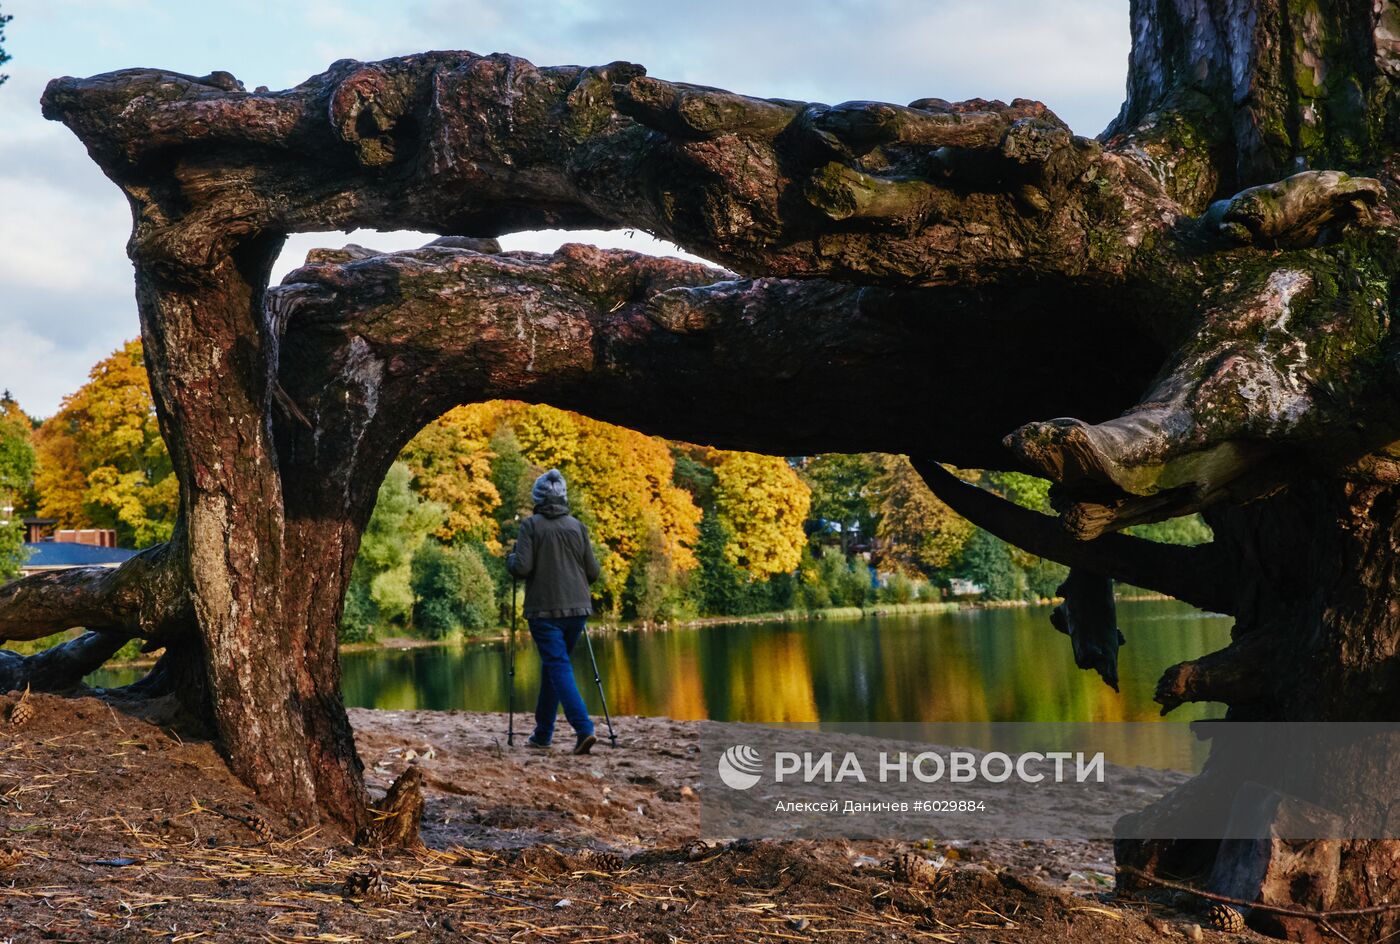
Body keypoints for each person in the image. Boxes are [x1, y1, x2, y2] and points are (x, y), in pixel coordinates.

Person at [507, 468, 603, 754]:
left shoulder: (531, 525)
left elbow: (521, 567)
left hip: (545, 611)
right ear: (563, 496)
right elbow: (593, 572)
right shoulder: (577, 526)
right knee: (554, 667)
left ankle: (583, 727)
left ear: (537, 497)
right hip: (578, 609)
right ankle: (543, 733)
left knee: (558, 667)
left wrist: (510, 560)